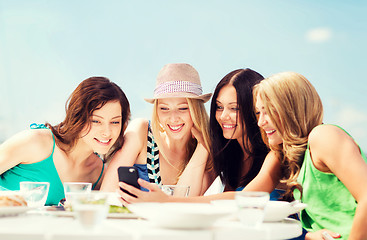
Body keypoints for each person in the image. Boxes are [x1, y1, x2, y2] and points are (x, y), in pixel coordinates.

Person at [117, 68, 281, 204]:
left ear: (255, 108)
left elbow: (247, 199)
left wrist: (167, 201)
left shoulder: (274, 153)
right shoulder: (227, 154)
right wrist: (203, 147)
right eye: (219, 107)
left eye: (234, 108)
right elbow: (185, 196)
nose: (223, 116)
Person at [254, 72, 367, 240]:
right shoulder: (297, 157)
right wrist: (311, 236)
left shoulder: (323, 136)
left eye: (269, 111)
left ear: (292, 109)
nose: (260, 122)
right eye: (258, 113)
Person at [0, 77, 131, 205]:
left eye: (115, 122)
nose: (107, 132)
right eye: (96, 121)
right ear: (77, 116)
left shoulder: (98, 174)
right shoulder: (36, 142)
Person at [101, 63, 214, 196]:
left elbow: (184, 201)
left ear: (197, 110)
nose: (173, 118)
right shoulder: (141, 132)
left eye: (183, 108)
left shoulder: (209, 151)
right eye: (164, 108)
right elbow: (106, 193)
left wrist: (203, 147)